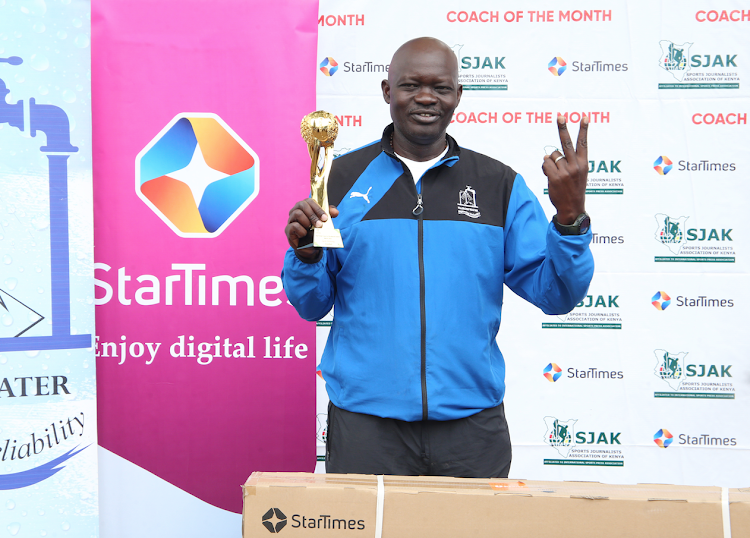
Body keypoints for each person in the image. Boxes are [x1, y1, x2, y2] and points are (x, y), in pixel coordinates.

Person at [282, 37, 594, 477]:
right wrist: (308, 257)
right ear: (387, 90)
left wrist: (569, 220)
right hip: (367, 428)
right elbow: (311, 304)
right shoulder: (341, 179)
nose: (427, 97)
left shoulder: (497, 184)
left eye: (441, 87)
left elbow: (557, 294)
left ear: (458, 96)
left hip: (471, 430)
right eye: (411, 85)